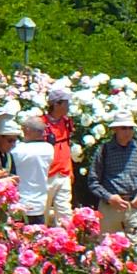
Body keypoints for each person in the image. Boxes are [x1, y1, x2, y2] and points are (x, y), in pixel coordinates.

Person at [88, 112, 137, 236]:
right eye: (124, 128)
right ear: (115, 129)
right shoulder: (104, 150)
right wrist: (109, 197)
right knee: (109, 247)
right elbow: (93, 180)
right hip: (111, 207)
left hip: (135, 205)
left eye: (130, 128)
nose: (128, 131)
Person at [11, 115, 54, 226]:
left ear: (27, 130)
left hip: (20, 202)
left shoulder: (17, 150)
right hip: (39, 204)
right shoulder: (49, 149)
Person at [43, 84, 76, 226]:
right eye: (66, 102)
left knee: (65, 213)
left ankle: (65, 243)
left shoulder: (67, 122)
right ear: (56, 104)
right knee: (42, 210)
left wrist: (70, 170)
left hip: (64, 173)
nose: (68, 105)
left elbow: (67, 146)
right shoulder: (41, 124)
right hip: (46, 174)